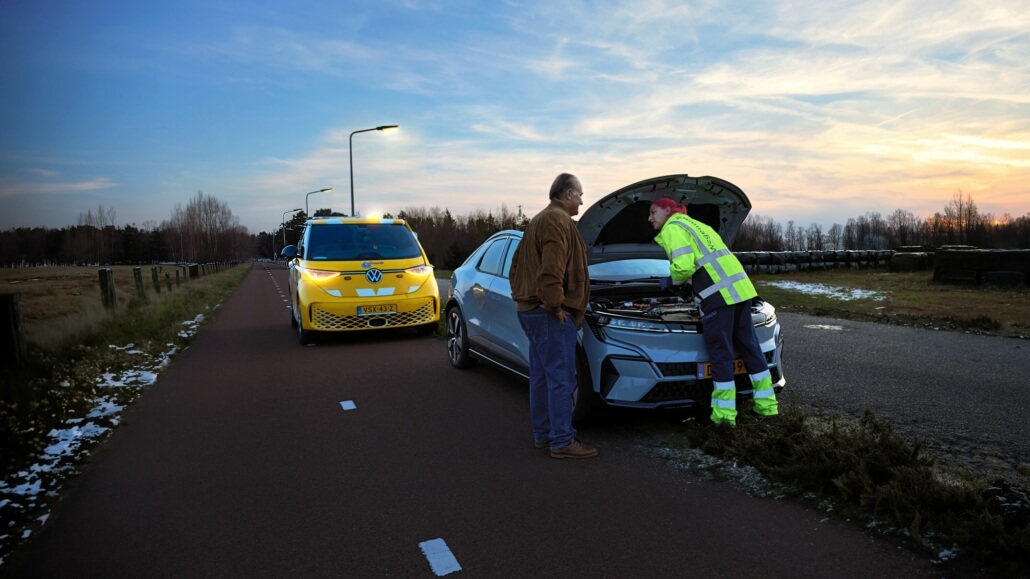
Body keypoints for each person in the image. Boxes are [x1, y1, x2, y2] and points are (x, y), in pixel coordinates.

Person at [647, 197, 778, 426]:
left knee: (721, 354)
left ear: (668, 210)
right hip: (742, 291)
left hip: (717, 298)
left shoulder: (673, 228)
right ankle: (767, 407)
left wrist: (670, 282)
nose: (650, 218)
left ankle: (724, 418)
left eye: (653, 212)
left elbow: (684, 267)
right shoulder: (699, 225)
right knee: (750, 347)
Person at [509, 173, 598, 459]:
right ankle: (562, 441)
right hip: (548, 313)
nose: (582, 202)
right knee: (561, 377)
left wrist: (527, 297)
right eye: (580, 195)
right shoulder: (558, 221)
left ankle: (544, 435)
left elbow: (515, 266)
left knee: (541, 376)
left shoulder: (538, 220)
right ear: (568, 193)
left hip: (531, 309)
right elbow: (552, 269)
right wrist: (556, 305)